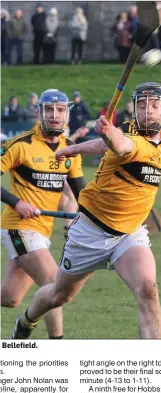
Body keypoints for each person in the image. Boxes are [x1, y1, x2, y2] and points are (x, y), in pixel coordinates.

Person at [10, 82, 161, 340]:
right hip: (90, 233)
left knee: (148, 290)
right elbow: (119, 146)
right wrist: (106, 135)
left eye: (154, 106)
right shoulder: (130, 138)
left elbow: (110, 144)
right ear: (134, 111)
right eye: (142, 105)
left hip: (129, 234)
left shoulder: (160, 137)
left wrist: (80, 145)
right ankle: (27, 321)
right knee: (58, 295)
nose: (148, 111)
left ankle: (153, 369)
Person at [1, 89, 85, 339]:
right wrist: (17, 203)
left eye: (60, 110)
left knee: (10, 297)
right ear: (39, 113)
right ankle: (56, 346)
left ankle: (23, 321)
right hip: (18, 227)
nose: (55, 115)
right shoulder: (20, 145)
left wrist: (100, 211)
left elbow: (82, 194)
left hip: (42, 232)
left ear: (67, 114)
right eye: (49, 110)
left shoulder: (70, 150)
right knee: (54, 285)